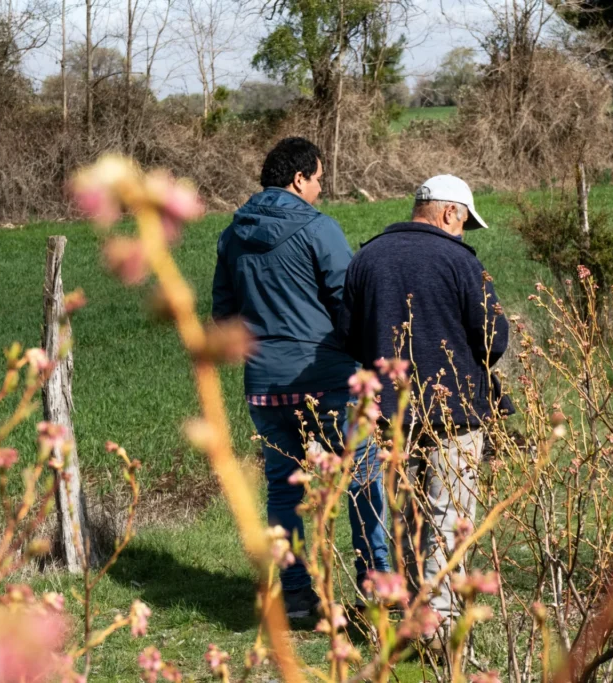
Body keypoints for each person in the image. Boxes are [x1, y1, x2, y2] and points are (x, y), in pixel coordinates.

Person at [211, 137, 390, 618]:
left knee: (284, 488)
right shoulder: (318, 229)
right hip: (326, 375)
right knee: (364, 476)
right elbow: (347, 301)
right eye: (318, 180)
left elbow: (223, 318)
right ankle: (378, 586)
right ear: (298, 179)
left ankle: (293, 595)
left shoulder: (232, 236)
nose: (320, 189)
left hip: (265, 385)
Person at [337, 174, 511, 623]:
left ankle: (416, 614)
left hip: (392, 415)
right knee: (448, 517)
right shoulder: (460, 261)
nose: (462, 232)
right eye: (464, 222)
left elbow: (348, 335)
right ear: (450, 212)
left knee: (408, 520)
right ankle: (440, 625)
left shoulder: (366, 258)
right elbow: (495, 340)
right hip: (456, 411)